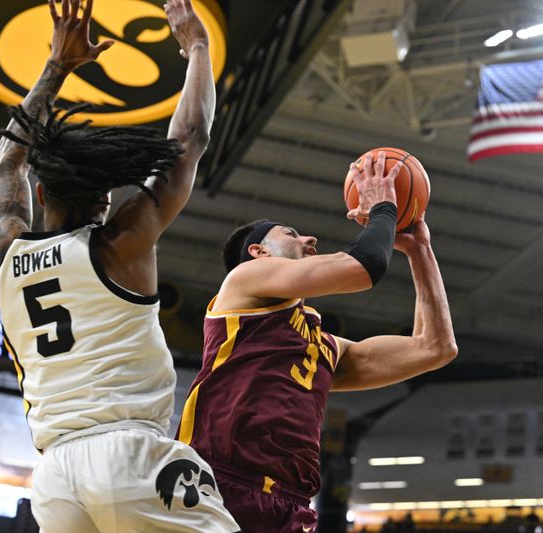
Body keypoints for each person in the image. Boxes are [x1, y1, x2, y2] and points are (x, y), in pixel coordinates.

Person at [0, 0, 238, 531]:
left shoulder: (5, 253)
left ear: (38, 189)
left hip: (54, 477)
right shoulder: (120, 241)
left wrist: (55, 67)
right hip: (128, 457)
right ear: (105, 198)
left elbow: (8, 156)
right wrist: (197, 47)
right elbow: (188, 142)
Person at [177, 152, 458, 532]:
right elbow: (364, 268)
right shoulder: (245, 282)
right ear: (258, 253)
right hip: (218, 482)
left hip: (291, 504)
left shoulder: (325, 347)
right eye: (291, 234)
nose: (309, 238)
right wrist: (383, 208)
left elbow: (435, 348)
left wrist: (420, 251)